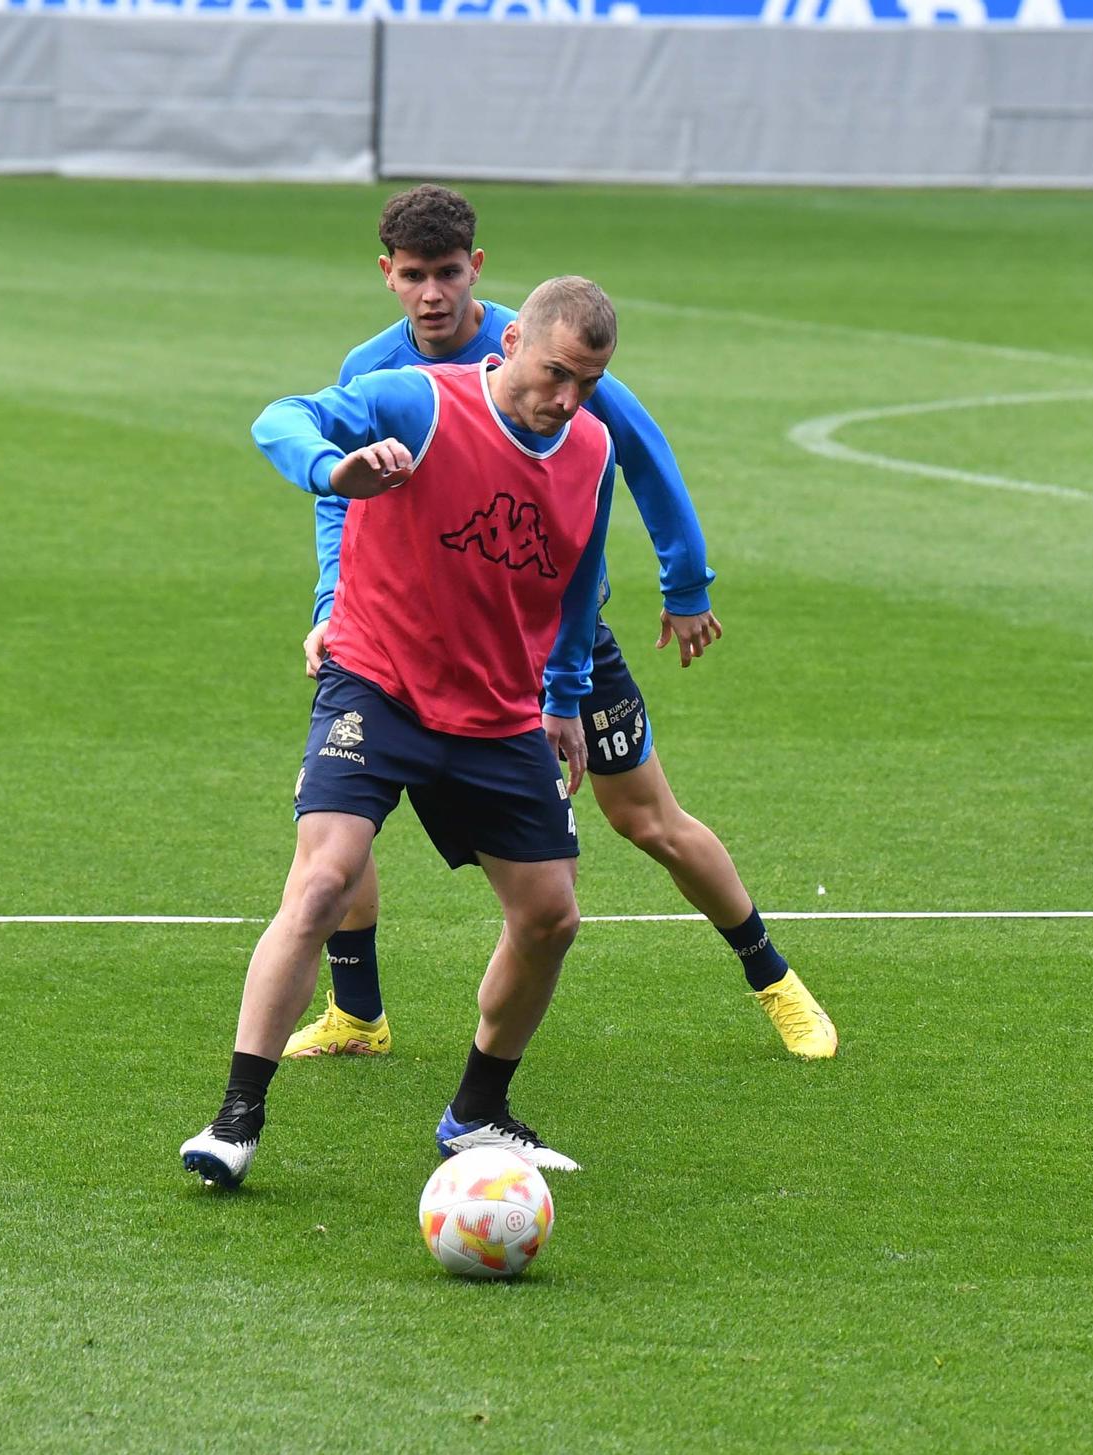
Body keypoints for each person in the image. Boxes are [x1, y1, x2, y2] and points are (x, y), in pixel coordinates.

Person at [286, 184, 835, 1063]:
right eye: (416, 276)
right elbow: (343, 498)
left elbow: (641, 457)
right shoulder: (378, 369)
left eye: (450, 274)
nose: (434, 294)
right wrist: (329, 603)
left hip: (551, 641)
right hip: (409, 641)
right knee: (342, 818)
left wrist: (686, 583)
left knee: (647, 819)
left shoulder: (549, 350)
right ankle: (358, 1013)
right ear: (388, 275)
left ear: (479, 273)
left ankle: (773, 977)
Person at [183, 277, 627, 1187]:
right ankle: (236, 1119)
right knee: (322, 882)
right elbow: (281, 417)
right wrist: (334, 471)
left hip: (498, 709)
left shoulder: (590, 451)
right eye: (555, 375)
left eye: (588, 382)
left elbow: (582, 579)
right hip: (375, 682)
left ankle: (476, 1115)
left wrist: (566, 695)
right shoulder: (415, 401)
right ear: (506, 351)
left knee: (550, 917)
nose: (567, 399)